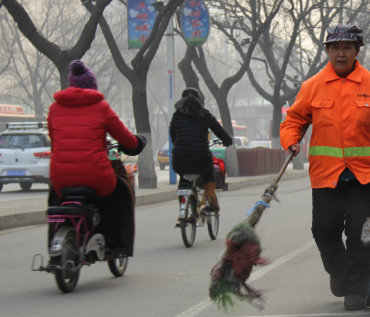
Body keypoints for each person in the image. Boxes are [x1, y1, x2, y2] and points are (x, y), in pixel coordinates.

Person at [280, 24, 370, 311]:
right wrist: (291, 140)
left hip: (365, 174)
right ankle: (339, 273)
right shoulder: (312, 87)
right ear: (327, 51)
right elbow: (294, 120)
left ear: (356, 51)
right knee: (323, 231)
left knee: (358, 231)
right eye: (335, 48)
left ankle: (357, 290)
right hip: (327, 173)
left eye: (347, 48)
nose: (341, 53)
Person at [48, 59, 146, 254]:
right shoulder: (101, 107)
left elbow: (54, 139)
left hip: (61, 178)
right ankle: (113, 244)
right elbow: (126, 139)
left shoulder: (54, 109)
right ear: (93, 86)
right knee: (120, 192)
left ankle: (55, 241)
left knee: (55, 199)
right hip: (95, 175)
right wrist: (138, 142)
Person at [169, 88, 232, 213]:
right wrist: (227, 141)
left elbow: (173, 136)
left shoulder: (177, 116)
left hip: (179, 159)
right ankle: (211, 200)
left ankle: (183, 207)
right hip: (201, 158)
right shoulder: (205, 114)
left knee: (184, 176)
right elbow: (220, 132)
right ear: (199, 101)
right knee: (209, 174)